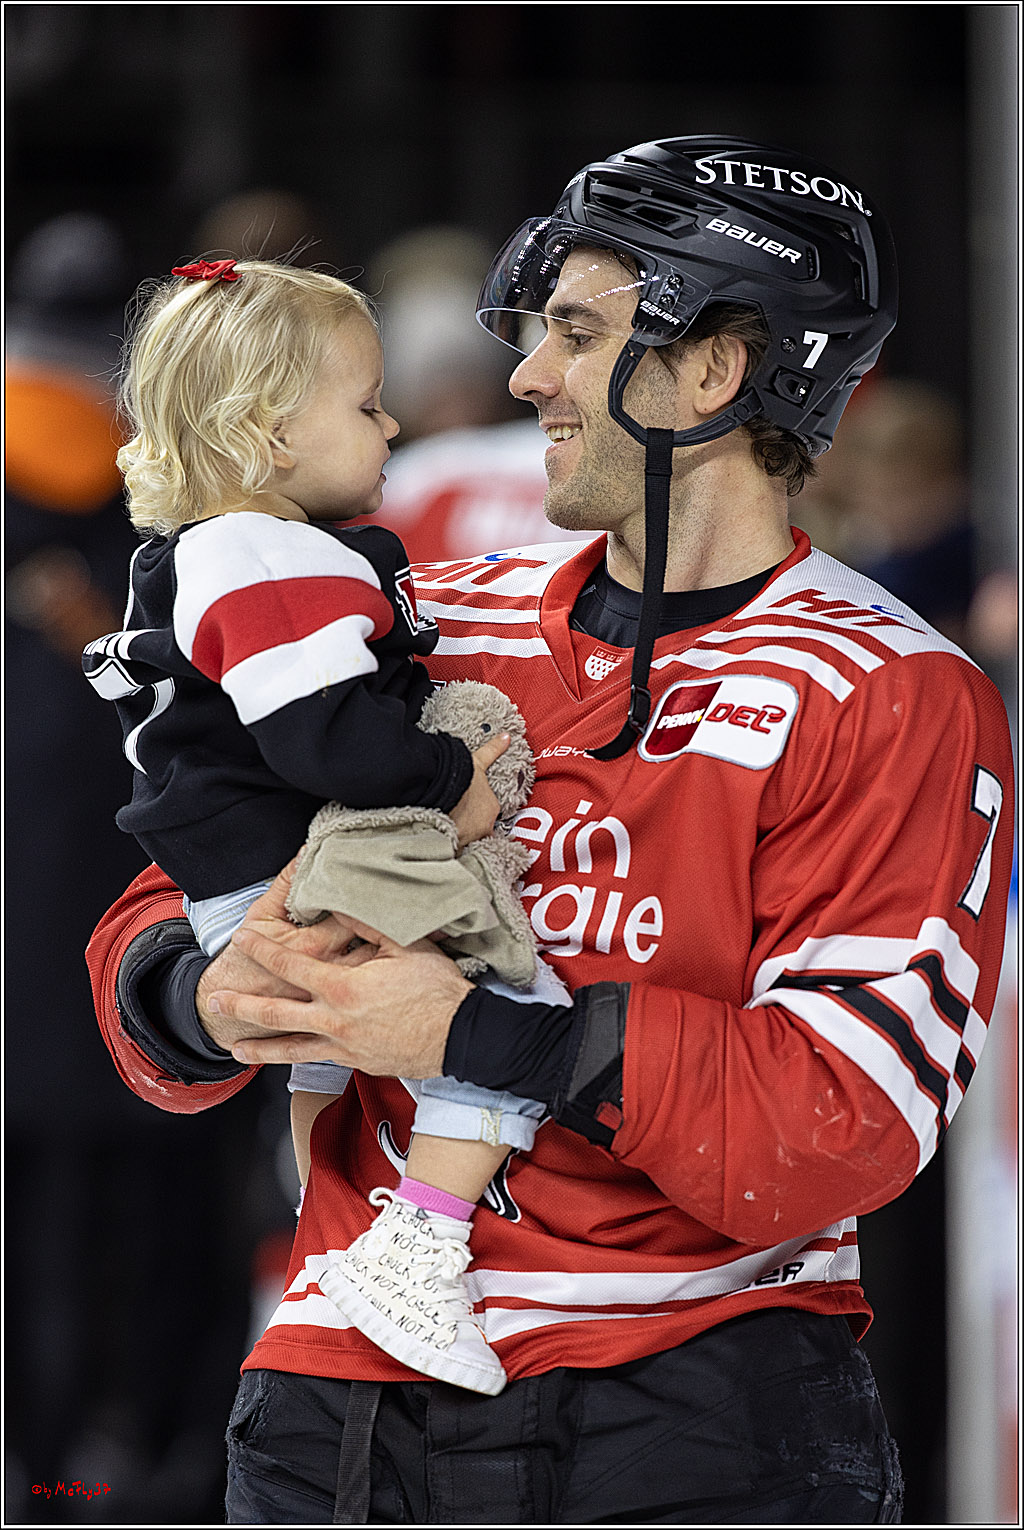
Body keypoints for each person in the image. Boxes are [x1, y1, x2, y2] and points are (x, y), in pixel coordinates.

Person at [85, 136, 1014, 1525]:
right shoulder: (424, 613)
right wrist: (200, 995)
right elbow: (162, 906)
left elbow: (840, 1120)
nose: (526, 378)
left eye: (577, 334)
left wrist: (469, 1031)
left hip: (689, 1413)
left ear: (716, 369)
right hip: (335, 1411)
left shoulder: (891, 688)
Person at [81, 256, 569, 1401]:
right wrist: (451, 780)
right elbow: (329, 744)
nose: (392, 425)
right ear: (270, 432)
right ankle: (419, 1248)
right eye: (366, 404)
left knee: (325, 1063)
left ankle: (334, 1235)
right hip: (302, 863)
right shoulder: (267, 553)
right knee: (519, 1009)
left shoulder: (208, 550)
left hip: (243, 880)